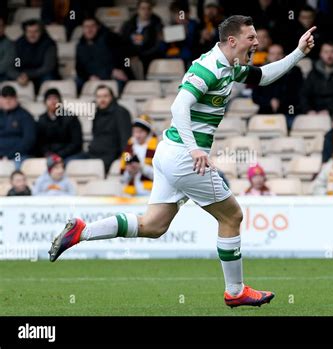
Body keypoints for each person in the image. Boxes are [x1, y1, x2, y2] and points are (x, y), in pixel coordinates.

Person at [49, 15, 316, 308]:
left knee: (153, 226)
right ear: (232, 41)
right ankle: (235, 291)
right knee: (232, 217)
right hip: (184, 158)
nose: (256, 42)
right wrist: (194, 150)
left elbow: (263, 76)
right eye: (251, 37)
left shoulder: (232, 66)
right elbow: (179, 106)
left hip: (169, 153)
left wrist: (298, 53)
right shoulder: (208, 68)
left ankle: (82, 231)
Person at [74, 85, 132, 174]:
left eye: (105, 96)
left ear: (112, 97)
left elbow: (126, 139)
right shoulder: (96, 113)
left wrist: (125, 159)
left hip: (110, 156)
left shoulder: (121, 112)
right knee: (70, 163)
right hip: (92, 153)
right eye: (99, 97)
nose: (102, 99)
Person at [251, 44, 303, 128]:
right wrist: (269, 102)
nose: (276, 56)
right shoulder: (260, 72)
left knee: (293, 123)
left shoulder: (294, 71)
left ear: (284, 55)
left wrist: (280, 101)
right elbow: (255, 97)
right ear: (268, 56)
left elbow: (298, 95)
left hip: (289, 110)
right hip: (266, 111)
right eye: (273, 54)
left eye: (279, 53)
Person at [76, 17, 130, 91]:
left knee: (119, 82)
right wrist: (89, 77)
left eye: (92, 26)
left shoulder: (109, 40)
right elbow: (79, 68)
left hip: (110, 76)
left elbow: (122, 59)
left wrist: (117, 70)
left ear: (98, 27)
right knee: (76, 82)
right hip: (91, 78)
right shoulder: (80, 46)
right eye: (86, 27)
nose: (89, 30)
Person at [300, 41, 333, 115]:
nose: (329, 55)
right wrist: (308, 110)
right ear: (320, 54)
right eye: (326, 52)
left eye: (332, 52)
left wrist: (329, 111)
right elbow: (304, 95)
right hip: (315, 115)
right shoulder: (313, 73)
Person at [9, 19, 58, 92]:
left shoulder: (49, 44)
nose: (32, 34)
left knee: (48, 77)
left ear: (41, 32)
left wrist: (27, 75)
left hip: (41, 74)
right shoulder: (18, 44)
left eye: (35, 31)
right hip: (23, 75)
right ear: (25, 32)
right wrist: (18, 76)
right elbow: (13, 64)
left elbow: (47, 67)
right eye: (29, 31)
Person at [36, 88, 83, 160]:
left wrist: (60, 155)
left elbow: (76, 142)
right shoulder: (41, 120)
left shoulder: (70, 117)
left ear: (60, 101)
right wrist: (47, 154)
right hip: (49, 156)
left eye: (55, 98)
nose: (52, 102)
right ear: (45, 102)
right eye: (49, 99)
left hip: (68, 155)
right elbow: (40, 143)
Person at [120, 0, 165, 72]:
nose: (146, 11)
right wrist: (132, 54)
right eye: (143, 8)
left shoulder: (157, 25)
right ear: (138, 10)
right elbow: (123, 42)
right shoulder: (128, 25)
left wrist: (141, 55)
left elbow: (157, 46)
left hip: (149, 57)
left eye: (148, 8)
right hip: (131, 57)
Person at [120, 115, 158, 196]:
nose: (137, 135)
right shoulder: (128, 150)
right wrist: (129, 171)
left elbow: (159, 176)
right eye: (135, 132)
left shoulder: (156, 148)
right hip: (130, 192)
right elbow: (122, 179)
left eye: (140, 132)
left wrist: (141, 167)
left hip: (149, 192)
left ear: (148, 132)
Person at [0, 86, 36, 168]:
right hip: (1, 154)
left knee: (17, 167)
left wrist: (9, 156)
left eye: (11, 98)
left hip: (18, 155)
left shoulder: (25, 116)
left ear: (16, 99)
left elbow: (28, 140)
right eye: (5, 98)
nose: (7, 101)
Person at [0, 17, 15, 82]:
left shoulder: (10, 44)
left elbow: (5, 65)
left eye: (0, 26)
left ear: (4, 27)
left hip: (3, 77)